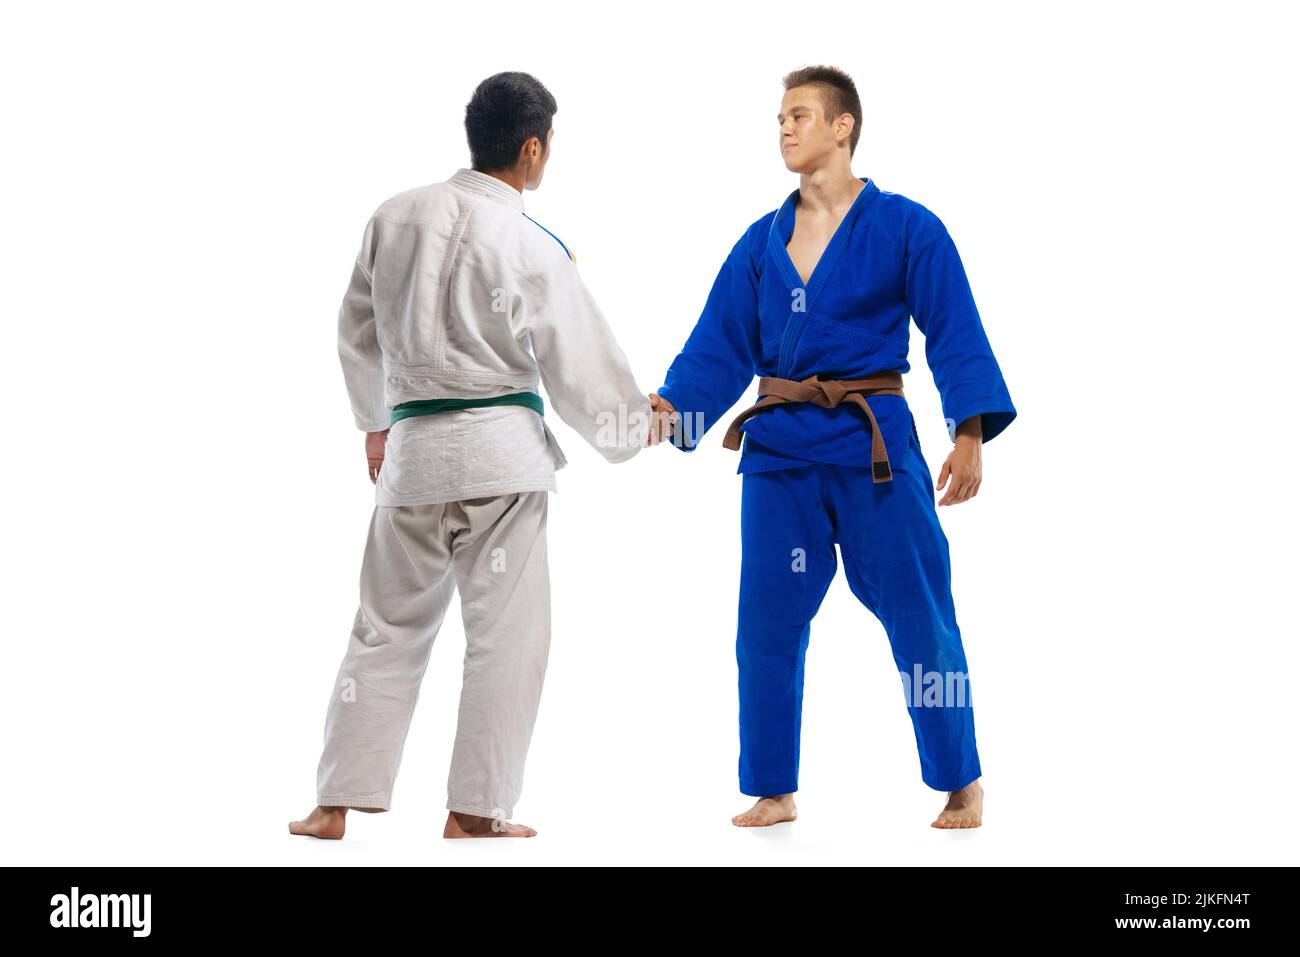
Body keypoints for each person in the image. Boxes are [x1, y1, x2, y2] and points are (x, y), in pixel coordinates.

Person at [646, 65, 1015, 829]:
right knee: (767, 621)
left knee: (919, 611)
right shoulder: (761, 243)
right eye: (780, 117)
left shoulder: (907, 226)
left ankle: (960, 779)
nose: (785, 128)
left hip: (874, 444)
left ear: (843, 126)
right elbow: (719, 344)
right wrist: (673, 407)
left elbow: (953, 328)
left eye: (801, 115)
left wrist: (970, 432)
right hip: (781, 451)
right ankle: (774, 786)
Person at [290, 71, 650, 840]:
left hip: (412, 458)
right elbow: (577, 359)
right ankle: (475, 810)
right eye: (547, 147)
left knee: (383, 627)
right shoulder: (530, 243)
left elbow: (355, 328)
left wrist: (375, 421)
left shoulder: (393, 217)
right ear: (531, 148)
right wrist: (633, 425)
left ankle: (333, 803)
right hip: (501, 463)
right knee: (506, 638)